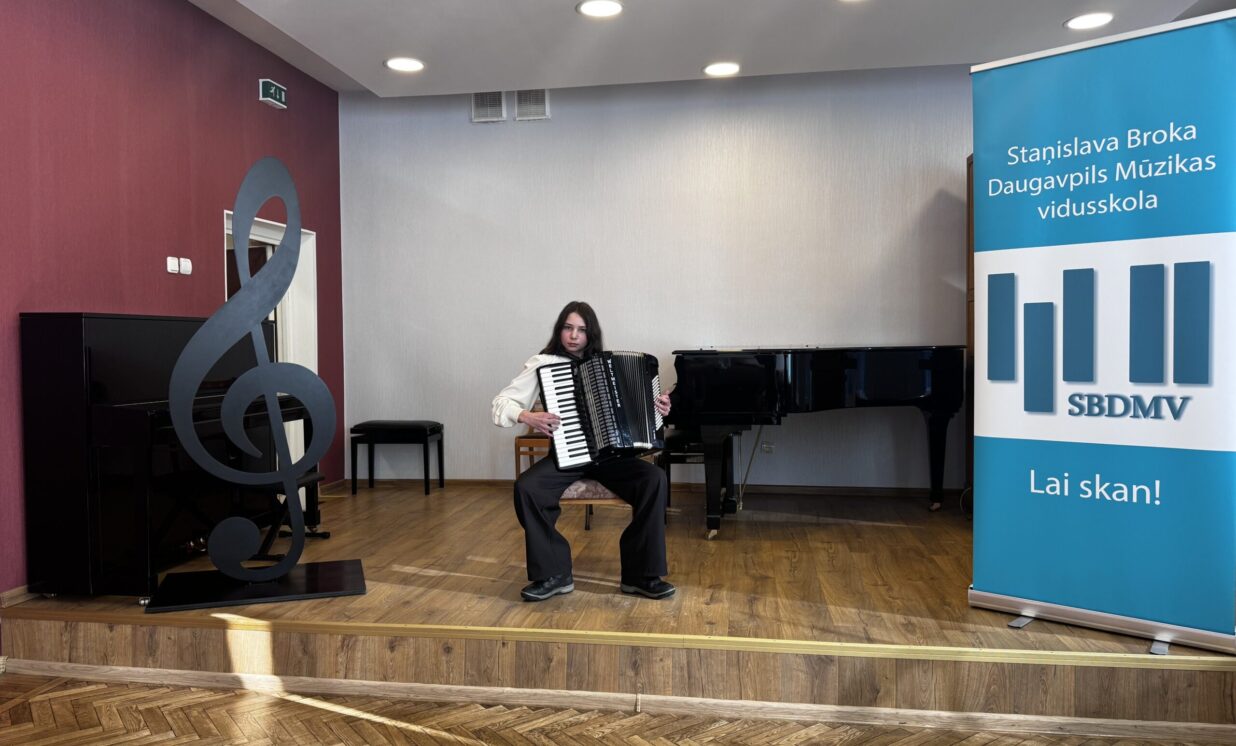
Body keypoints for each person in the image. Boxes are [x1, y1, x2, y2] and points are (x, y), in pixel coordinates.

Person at [492, 301, 675, 602]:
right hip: (568, 456)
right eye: (568, 328)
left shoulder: (607, 364)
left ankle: (640, 576)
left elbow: (641, 412)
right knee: (527, 488)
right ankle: (554, 573)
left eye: (581, 329)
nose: (574, 335)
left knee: (654, 479)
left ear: (591, 334)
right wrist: (527, 416)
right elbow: (500, 404)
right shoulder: (543, 363)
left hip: (611, 457)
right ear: (559, 330)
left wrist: (660, 410)